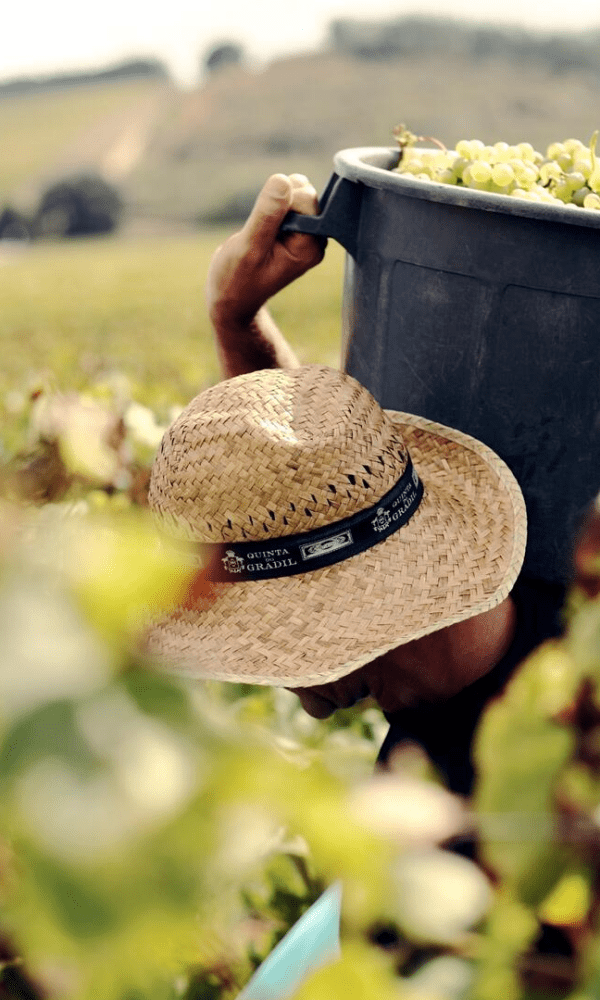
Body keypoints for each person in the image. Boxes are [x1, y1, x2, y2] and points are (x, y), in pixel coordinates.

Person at [146, 173, 567, 797]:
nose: (292, 690)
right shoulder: (460, 694)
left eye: (274, 643)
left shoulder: (532, 786)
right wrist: (236, 321)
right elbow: (313, 498)